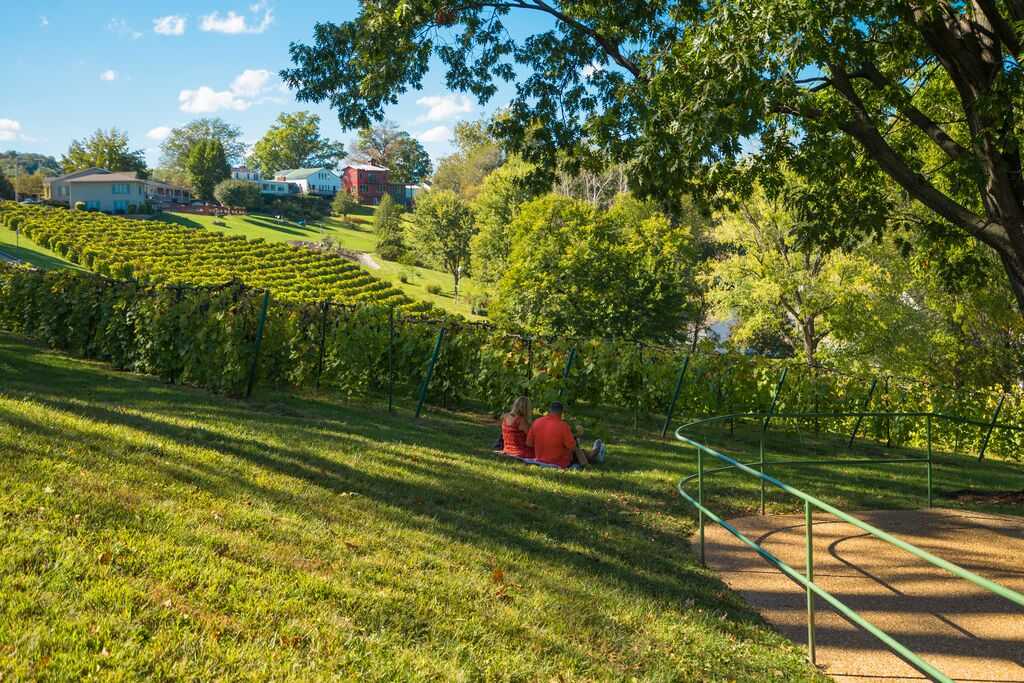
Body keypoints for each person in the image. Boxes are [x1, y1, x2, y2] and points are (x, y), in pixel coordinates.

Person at [526, 401, 606, 469]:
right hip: (559, 461)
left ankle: (593, 454)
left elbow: (529, 443)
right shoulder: (563, 425)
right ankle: (593, 457)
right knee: (577, 450)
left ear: (549, 410)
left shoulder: (536, 422)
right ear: (561, 413)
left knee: (578, 450)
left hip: (540, 458)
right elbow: (572, 447)